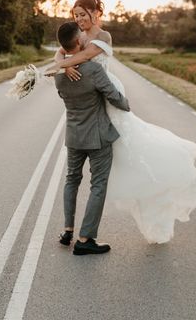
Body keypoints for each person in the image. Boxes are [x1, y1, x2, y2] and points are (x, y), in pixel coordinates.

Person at [49, 0, 196, 244]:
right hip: (94, 96)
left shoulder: (101, 37)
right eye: (76, 15)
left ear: (96, 13)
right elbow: (62, 54)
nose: (79, 19)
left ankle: (152, 182)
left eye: (83, 14)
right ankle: (83, 236)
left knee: (131, 148)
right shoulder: (74, 38)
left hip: (102, 91)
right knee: (97, 174)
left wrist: (64, 64)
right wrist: (63, 64)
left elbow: (80, 57)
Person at [53, 21, 131, 255]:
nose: (86, 39)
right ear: (78, 42)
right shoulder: (94, 70)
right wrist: (126, 104)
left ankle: (67, 231)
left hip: (74, 135)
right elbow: (113, 96)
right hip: (97, 136)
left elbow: (63, 93)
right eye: (82, 38)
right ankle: (86, 238)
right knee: (98, 185)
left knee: (71, 180)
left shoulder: (59, 73)